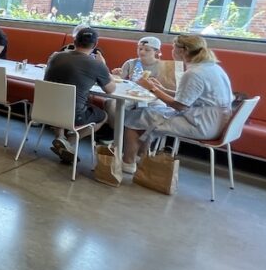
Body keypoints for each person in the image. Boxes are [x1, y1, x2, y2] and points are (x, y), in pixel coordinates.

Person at [121, 34, 233, 174]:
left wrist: (152, 89)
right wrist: (161, 89)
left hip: (201, 124)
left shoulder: (194, 73)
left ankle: (128, 163)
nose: (172, 51)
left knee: (134, 117)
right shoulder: (213, 67)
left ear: (183, 50)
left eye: (174, 48)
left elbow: (180, 105)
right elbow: (190, 97)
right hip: (218, 122)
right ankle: (141, 159)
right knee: (148, 115)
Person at [43, 27, 116, 163]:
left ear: (74, 42)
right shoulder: (96, 64)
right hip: (74, 115)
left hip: (45, 109)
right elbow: (110, 90)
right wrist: (104, 66)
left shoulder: (56, 56)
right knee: (103, 116)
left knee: (61, 100)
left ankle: (60, 138)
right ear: (95, 45)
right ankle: (68, 143)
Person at [111, 36, 176, 90]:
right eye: (140, 49)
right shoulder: (130, 63)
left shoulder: (164, 66)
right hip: (132, 92)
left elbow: (167, 87)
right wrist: (117, 75)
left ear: (157, 52)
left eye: (147, 50)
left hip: (154, 95)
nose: (142, 52)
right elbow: (120, 80)